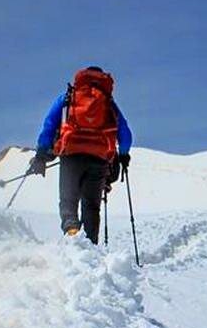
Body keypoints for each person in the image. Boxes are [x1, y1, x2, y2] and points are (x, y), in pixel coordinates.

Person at [29, 66, 132, 242]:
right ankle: (90, 245)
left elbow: (49, 125)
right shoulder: (108, 102)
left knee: (68, 200)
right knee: (91, 206)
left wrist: (41, 154)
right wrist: (123, 155)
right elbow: (125, 133)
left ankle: (72, 232)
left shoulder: (68, 97)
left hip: (71, 154)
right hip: (99, 159)